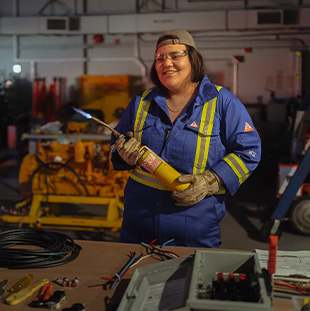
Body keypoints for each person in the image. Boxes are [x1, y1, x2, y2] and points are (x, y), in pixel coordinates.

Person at [110, 29, 261, 248]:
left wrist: (211, 181)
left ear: (193, 59)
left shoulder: (222, 102)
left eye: (175, 55)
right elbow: (114, 146)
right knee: (130, 277)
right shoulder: (141, 103)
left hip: (194, 224)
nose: (166, 63)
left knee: (192, 278)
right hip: (138, 223)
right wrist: (122, 152)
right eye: (159, 58)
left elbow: (249, 152)